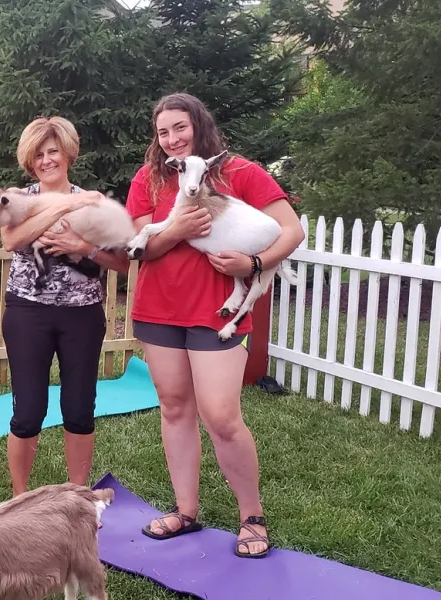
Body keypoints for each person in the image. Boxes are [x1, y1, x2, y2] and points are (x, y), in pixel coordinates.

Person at [125, 92, 304, 558]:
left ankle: (252, 515)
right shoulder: (148, 178)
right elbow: (142, 247)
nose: (172, 139)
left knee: (221, 416)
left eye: (180, 128)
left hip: (214, 313)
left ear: (199, 125)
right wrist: (176, 230)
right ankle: (186, 511)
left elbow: (292, 230)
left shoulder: (241, 172)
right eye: (163, 132)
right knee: (174, 409)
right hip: (159, 308)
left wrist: (255, 260)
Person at [0, 116, 129, 496]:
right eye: (38, 154)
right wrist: (59, 208)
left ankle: (78, 497)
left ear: (67, 152)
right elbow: (11, 241)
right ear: (29, 159)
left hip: (82, 314)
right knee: (28, 411)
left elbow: (121, 262)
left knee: (79, 409)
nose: (46, 160)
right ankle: (20, 497)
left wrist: (82, 247)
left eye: (52, 151)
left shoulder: (96, 202)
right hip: (28, 313)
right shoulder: (16, 198)